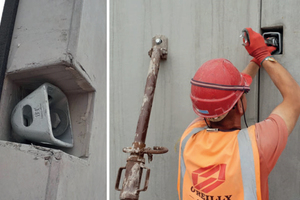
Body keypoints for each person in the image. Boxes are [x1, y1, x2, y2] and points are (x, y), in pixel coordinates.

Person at [177, 28, 300, 200]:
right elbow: (294, 99)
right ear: (240, 107)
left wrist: (256, 61)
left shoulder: (189, 137)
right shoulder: (256, 146)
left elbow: (214, 99)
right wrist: (263, 55)